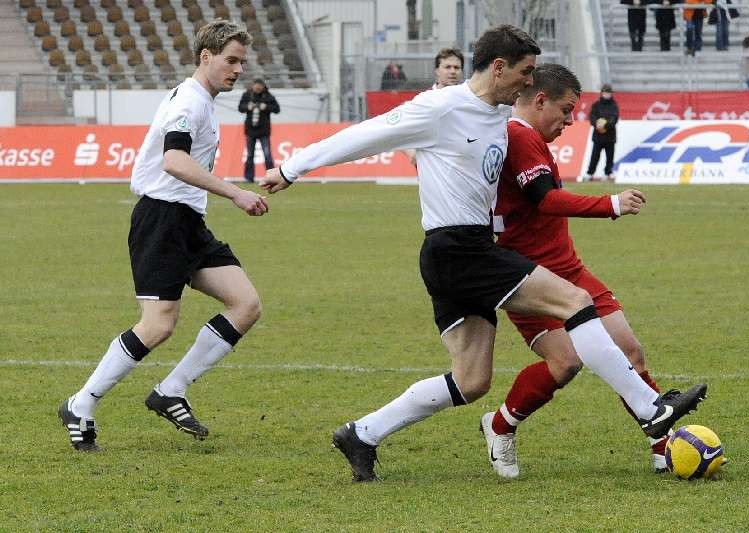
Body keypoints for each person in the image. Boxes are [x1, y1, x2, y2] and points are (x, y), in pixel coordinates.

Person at [259, 25, 707, 483]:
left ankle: (362, 434)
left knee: (471, 381)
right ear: (499, 67)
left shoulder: (498, 118)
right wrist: (292, 168)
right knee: (576, 302)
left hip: (463, 252)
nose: (529, 83)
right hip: (458, 250)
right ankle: (650, 408)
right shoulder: (441, 107)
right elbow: (365, 135)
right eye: (525, 72)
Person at [58, 19, 269, 452]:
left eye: (242, 62)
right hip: (161, 219)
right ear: (205, 57)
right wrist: (235, 193)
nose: (237, 69)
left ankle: (171, 390)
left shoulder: (203, 100)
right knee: (158, 325)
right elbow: (174, 161)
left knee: (245, 304)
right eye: (231, 60)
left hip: (187, 221)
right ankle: (81, 405)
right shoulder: (189, 103)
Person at [481, 64, 683, 478]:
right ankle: (500, 425)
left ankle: (665, 446)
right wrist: (610, 204)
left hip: (569, 269)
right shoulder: (518, 135)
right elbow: (546, 200)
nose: (571, 120)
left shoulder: (530, 137)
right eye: (566, 109)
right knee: (566, 363)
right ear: (540, 100)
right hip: (531, 279)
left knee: (630, 350)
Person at [238, 78, 280, 182]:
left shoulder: (268, 96)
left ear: (263, 86)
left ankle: (271, 178)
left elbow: (277, 109)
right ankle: (248, 178)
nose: (258, 88)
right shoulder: (247, 95)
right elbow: (240, 107)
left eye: (260, 86)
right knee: (250, 155)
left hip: (264, 131)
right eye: (256, 86)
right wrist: (248, 106)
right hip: (250, 130)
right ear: (253, 86)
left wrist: (266, 107)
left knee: (267, 155)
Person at [583, 83, 619, 182]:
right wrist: (596, 124)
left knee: (609, 157)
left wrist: (605, 125)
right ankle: (590, 173)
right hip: (598, 136)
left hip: (610, 136)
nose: (607, 94)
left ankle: (607, 173)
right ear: (602, 93)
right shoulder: (596, 105)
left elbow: (614, 118)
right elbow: (592, 117)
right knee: (594, 156)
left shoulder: (614, 105)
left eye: (609, 93)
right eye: (605, 92)